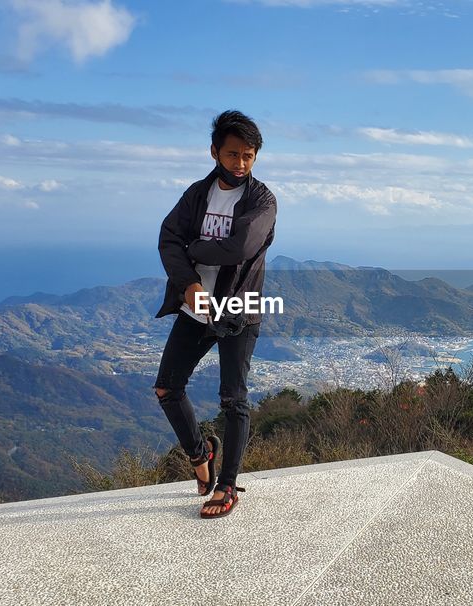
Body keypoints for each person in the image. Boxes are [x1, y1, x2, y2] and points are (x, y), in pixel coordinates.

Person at [153, 110, 277, 519]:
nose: (240, 163)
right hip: (196, 307)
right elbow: (168, 237)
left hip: (238, 309)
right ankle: (201, 452)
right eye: (233, 154)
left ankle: (226, 486)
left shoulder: (262, 201)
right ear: (214, 152)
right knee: (167, 388)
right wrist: (190, 283)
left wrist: (194, 248)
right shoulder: (197, 194)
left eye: (248, 155)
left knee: (233, 399)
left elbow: (239, 249)